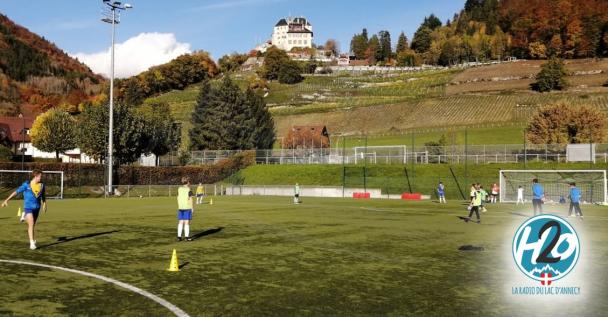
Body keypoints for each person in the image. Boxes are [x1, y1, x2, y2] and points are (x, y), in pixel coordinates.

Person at [2, 169, 47, 250]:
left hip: (37, 208)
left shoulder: (42, 185)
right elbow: (16, 192)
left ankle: (24, 216)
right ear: (36, 176)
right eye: (40, 176)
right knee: (31, 223)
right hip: (28, 207)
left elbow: (43, 195)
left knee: (32, 225)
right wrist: (7, 200)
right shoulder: (26, 185)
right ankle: (32, 243)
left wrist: (44, 204)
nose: (41, 178)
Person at [177, 177, 194, 241]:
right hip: (187, 207)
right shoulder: (189, 189)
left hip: (180, 207)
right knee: (187, 222)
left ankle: (179, 237)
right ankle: (187, 237)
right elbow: (191, 199)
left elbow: (178, 197)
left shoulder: (179, 189)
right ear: (188, 182)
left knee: (180, 222)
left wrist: (179, 205)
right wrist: (192, 208)